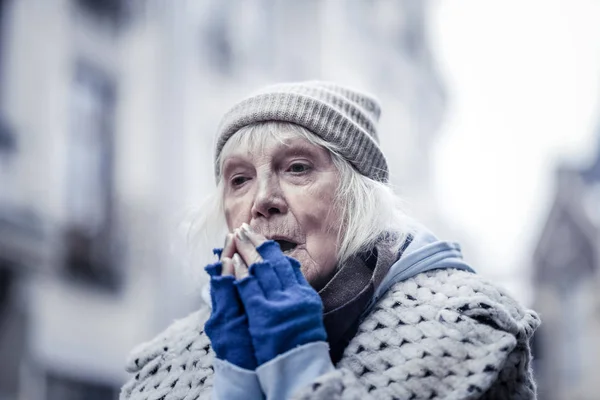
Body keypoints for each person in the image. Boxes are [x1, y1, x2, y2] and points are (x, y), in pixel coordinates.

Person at [120, 82, 540, 400]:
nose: (262, 200)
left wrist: (295, 359)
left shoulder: (467, 327)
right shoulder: (166, 366)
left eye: (298, 168)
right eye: (240, 179)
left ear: (360, 199)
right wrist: (238, 376)